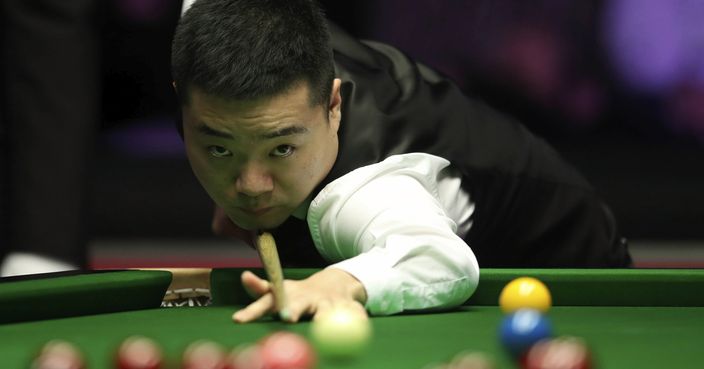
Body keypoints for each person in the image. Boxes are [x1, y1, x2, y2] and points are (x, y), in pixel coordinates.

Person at [171, 0, 631, 323]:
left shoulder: (365, 192)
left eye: (281, 149)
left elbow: (442, 261)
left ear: (333, 106)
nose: (251, 185)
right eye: (219, 147)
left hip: (566, 270)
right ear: (181, 104)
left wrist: (338, 283)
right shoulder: (209, 20)